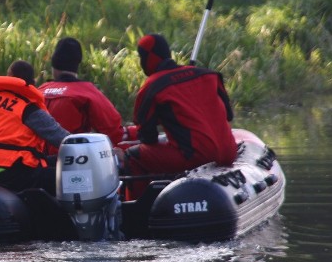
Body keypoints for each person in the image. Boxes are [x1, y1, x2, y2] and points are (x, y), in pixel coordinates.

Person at [117, 33, 238, 198]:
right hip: (228, 153)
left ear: (148, 58)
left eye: (141, 57)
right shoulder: (209, 75)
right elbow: (228, 115)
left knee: (133, 155)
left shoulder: (152, 87)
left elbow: (148, 138)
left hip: (196, 157)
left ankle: (137, 208)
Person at [0, 60, 70, 194]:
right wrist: (83, 146)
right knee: (70, 178)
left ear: (8, 77)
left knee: (53, 159)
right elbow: (61, 138)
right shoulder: (28, 109)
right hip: (17, 173)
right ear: (32, 83)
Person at [38, 37, 125, 153]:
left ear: (53, 66)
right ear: (77, 65)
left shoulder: (39, 90)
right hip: (69, 160)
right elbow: (114, 132)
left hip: (34, 162)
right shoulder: (87, 92)